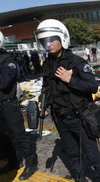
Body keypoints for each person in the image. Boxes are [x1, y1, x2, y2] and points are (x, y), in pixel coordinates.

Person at [34, 19, 100, 182]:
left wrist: (71, 80)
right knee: (72, 154)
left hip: (79, 117)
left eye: (51, 39)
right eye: (44, 41)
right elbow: (46, 86)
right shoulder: (47, 64)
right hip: (60, 118)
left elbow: (93, 87)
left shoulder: (77, 62)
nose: (48, 44)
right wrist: (43, 101)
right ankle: (79, 178)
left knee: (92, 155)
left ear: (63, 38)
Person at [0, 31, 38, 180]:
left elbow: (4, 83)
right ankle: (13, 161)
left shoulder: (7, 60)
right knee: (4, 137)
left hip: (8, 104)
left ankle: (31, 163)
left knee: (19, 135)